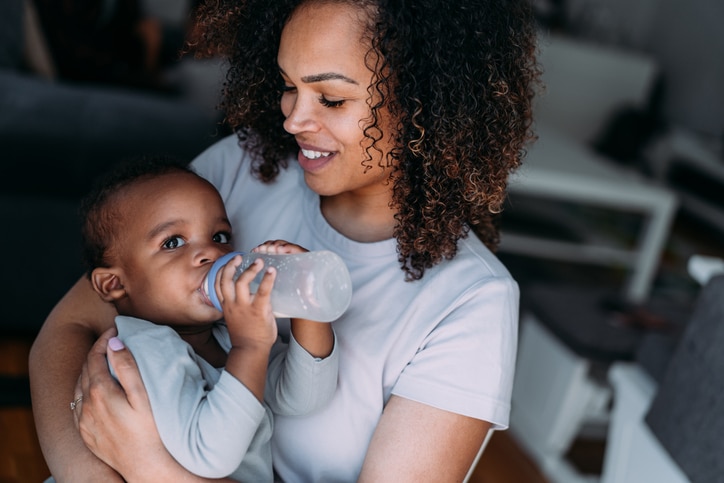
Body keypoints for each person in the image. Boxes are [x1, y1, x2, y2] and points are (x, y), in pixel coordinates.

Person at [29, 0, 540, 481]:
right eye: (288, 84)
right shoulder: (245, 166)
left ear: (427, 104)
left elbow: (285, 389)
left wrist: (148, 466)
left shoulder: (471, 300)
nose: (293, 119)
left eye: (332, 98)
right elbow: (72, 324)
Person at [64, 155, 337, 482]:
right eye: (173, 242)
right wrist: (250, 347)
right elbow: (212, 455)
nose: (212, 253)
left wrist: (306, 303)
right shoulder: (142, 350)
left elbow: (303, 397)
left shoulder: (223, 335)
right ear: (115, 284)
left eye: (220, 236)